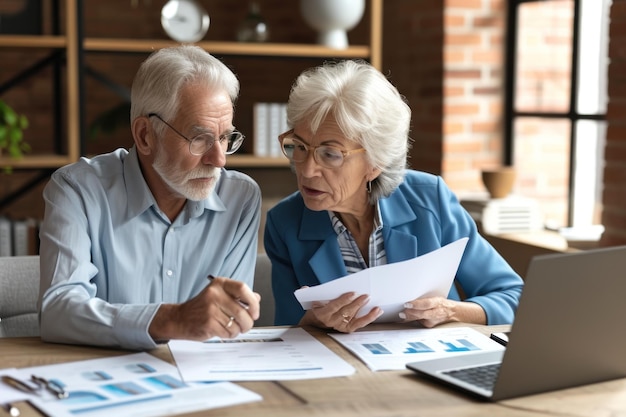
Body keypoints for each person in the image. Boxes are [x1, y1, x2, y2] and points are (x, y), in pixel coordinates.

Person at [264, 59, 524, 332]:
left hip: (432, 361)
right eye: (301, 147)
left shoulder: (430, 199)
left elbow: (513, 296)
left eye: (330, 154)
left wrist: (451, 310)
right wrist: (314, 322)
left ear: (376, 163)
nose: (306, 169)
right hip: (345, 369)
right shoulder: (285, 223)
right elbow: (288, 329)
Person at [38, 45, 261, 350]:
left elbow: (230, 321)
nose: (219, 159)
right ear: (145, 135)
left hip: (205, 381)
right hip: (104, 379)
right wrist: (174, 319)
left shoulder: (241, 198)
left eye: (225, 137)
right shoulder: (76, 190)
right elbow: (57, 312)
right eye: (200, 139)